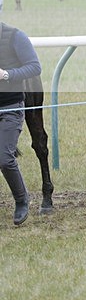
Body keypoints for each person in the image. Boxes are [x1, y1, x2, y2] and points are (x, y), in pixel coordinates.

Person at [0, 21, 42, 225]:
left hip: (10, 107)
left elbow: (35, 67)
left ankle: (21, 199)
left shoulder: (15, 36)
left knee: (4, 158)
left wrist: (7, 75)